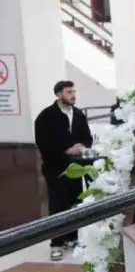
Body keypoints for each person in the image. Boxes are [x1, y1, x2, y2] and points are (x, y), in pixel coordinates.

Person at [34, 80, 93, 261]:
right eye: (69, 92)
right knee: (58, 205)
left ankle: (72, 238)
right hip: (55, 167)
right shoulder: (46, 116)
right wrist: (66, 150)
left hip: (76, 167)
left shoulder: (78, 114)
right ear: (58, 94)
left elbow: (87, 137)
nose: (73, 95)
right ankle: (56, 243)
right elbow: (43, 142)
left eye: (74, 91)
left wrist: (81, 146)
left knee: (74, 201)